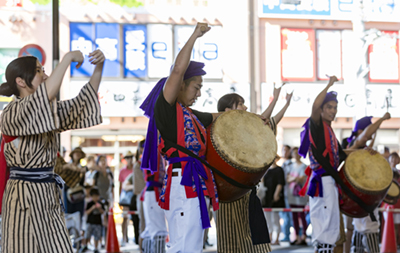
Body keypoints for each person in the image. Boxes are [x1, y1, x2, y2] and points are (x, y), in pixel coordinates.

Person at [0, 49, 104, 252]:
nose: (46, 76)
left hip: (48, 195)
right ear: (21, 81)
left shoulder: (49, 111)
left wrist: (99, 67)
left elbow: (81, 103)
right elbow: (43, 95)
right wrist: (67, 58)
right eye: (39, 71)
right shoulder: (10, 112)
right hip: (23, 196)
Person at [140, 23, 220, 252]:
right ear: (181, 85)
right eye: (196, 87)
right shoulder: (167, 110)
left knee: (189, 244)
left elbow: (220, 116)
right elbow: (176, 70)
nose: (199, 93)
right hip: (184, 183)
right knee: (185, 246)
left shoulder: (190, 115)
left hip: (191, 183)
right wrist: (195, 35)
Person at [214, 84, 292, 252]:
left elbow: (266, 121)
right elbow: (260, 120)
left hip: (247, 191)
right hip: (227, 194)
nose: (245, 107)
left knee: (253, 240)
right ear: (228, 111)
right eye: (240, 104)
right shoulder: (220, 130)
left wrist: (282, 102)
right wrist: (276, 99)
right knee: (231, 241)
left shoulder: (243, 130)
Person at [298, 76, 347, 253]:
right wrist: (329, 85)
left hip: (329, 182)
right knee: (326, 228)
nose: (333, 111)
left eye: (335, 108)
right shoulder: (316, 125)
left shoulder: (330, 130)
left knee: (330, 227)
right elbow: (314, 107)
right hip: (323, 182)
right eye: (329, 107)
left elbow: (343, 154)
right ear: (321, 110)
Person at [346, 114, 391, 253]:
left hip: (359, 198)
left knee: (358, 232)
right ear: (361, 131)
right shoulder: (353, 144)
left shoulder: (362, 147)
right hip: (357, 198)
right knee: (365, 230)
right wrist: (382, 119)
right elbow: (365, 136)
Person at [287, 147, 308, 245]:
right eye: (294, 153)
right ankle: (296, 236)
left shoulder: (304, 166)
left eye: (297, 153)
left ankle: (304, 235)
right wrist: (296, 178)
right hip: (291, 195)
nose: (295, 155)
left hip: (300, 195)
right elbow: (288, 179)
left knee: (302, 215)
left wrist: (293, 178)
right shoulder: (290, 166)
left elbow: (301, 179)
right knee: (294, 216)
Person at [262, 157, 286, 245]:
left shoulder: (279, 170)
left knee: (275, 219)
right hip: (267, 197)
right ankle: (270, 236)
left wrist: (276, 194)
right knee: (267, 219)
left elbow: (280, 183)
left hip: (275, 197)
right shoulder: (265, 170)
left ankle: (277, 238)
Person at [64, 147, 87, 220]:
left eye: (79, 153)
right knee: (69, 215)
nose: (77, 154)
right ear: (72, 154)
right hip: (69, 193)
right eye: (76, 153)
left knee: (79, 215)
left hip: (79, 194)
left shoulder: (83, 168)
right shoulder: (67, 166)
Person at [119, 150, 135, 246]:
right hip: (125, 197)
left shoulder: (136, 169)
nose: (129, 160)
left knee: (134, 216)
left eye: (130, 157)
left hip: (134, 195)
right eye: (127, 158)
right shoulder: (122, 171)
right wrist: (119, 200)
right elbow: (121, 186)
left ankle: (134, 237)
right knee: (125, 217)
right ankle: (124, 238)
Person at [85, 187, 105, 253]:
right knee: (87, 235)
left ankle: (96, 248)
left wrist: (99, 208)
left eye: (97, 196)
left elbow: (103, 212)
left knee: (97, 236)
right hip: (90, 222)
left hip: (98, 222)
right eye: (94, 196)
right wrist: (92, 208)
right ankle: (85, 245)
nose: (96, 198)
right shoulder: (89, 203)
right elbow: (86, 212)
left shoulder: (100, 204)